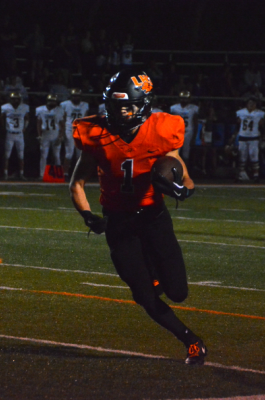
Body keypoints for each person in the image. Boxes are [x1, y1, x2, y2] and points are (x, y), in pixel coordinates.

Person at [69, 69, 207, 365]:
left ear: (143, 104)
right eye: (116, 105)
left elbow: (189, 182)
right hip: (119, 222)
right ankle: (191, 341)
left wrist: (180, 190)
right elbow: (76, 184)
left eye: (127, 105)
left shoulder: (161, 129)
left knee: (179, 292)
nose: (121, 111)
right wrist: (88, 216)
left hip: (153, 218)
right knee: (144, 296)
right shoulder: (95, 133)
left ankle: (155, 273)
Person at [230, 97, 265, 182]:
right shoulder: (241, 112)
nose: (251, 105)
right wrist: (233, 136)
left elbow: (262, 125)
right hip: (243, 136)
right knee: (242, 156)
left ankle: (256, 175)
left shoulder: (259, 113)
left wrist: (263, 136)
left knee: (254, 156)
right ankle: (241, 175)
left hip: (254, 137)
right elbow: (237, 124)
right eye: (249, 103)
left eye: (253, 103)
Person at [60, 88, 89, 179]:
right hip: (69, 129)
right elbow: (63, 119)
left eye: (77, 96)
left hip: (80, 130)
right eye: (74, 96)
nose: (76, 98)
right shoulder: (65, 104)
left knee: (79, 154)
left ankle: (78, 174)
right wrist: (62, 132)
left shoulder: (85, 105)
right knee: (69, 153)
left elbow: (86, 119)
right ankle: (65, 173)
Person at [1, 92, 29, 180]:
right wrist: (4, 127)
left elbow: (27, 118)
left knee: (21, 155)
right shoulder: (6, 107)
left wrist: (25, 127)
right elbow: (1, 117)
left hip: (19, 134)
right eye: (14, 99)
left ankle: (21, 173)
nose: (15, 100)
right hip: (10, 133)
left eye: (17, 99)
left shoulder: (24, 107)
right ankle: (5, 173)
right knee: (7, 155)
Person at [36, 93, 65, 179]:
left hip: (55, 133)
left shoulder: (59, 110)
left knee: (56, 155)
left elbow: (62, 125)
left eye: (53, 101)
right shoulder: (41, 109)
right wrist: (39, 135)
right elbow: (39, 123)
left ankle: (59, 175)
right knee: (44, 155)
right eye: (51, 101)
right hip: (45, 133)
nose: (52, 103)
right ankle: (42, 174)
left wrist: (60, 136)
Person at [169, 91, 199, 163]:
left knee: (186, 154)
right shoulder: (174, 108)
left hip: (188, 132)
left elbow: (195, 123)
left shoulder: (193, 108)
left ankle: (185, 170)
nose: (184, 100)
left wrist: (194, 137)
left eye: (185, 98)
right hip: (177, 132)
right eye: (182, 98)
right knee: (175, 153)